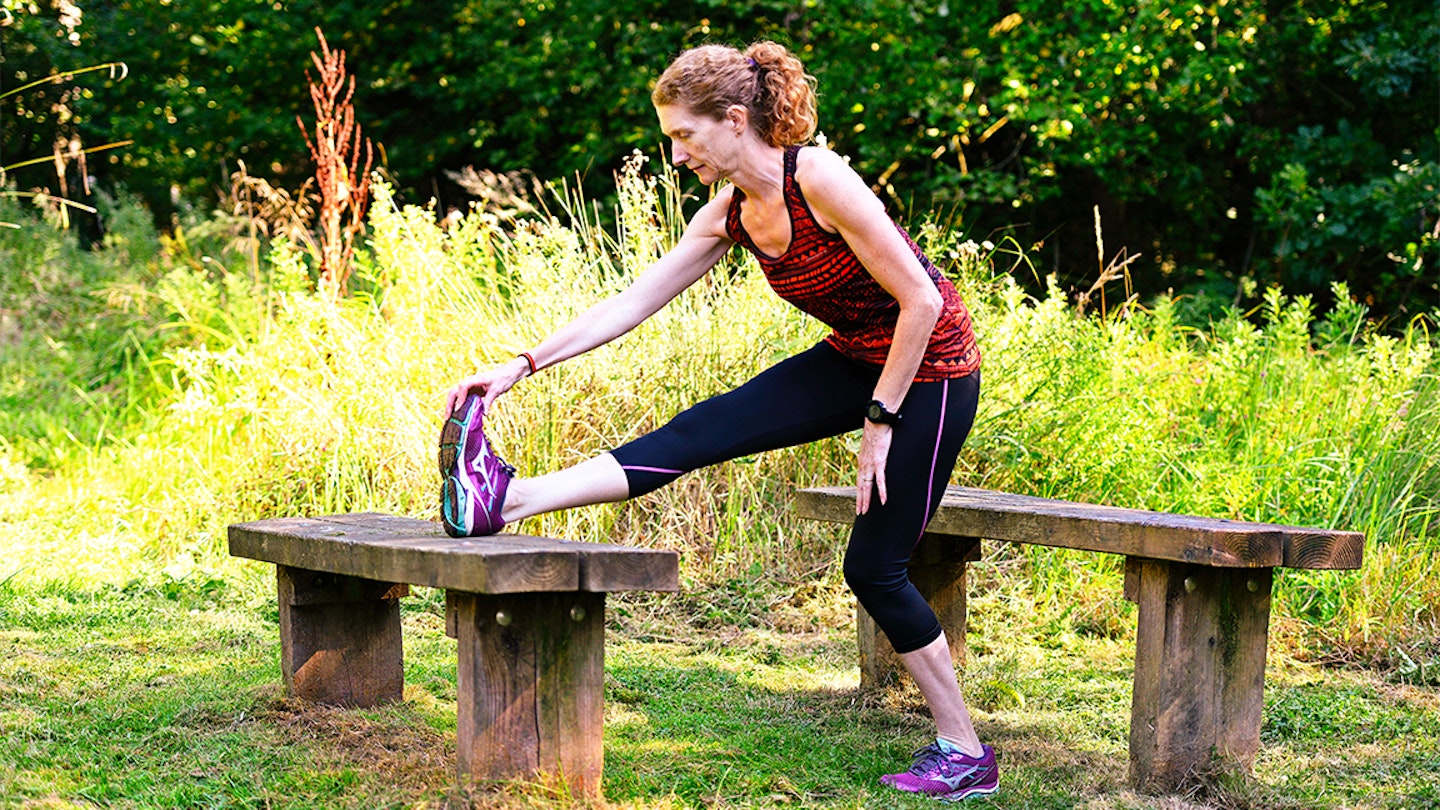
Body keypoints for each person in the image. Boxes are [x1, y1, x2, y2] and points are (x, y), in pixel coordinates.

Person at [438, 41, 996, 801]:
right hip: (856, 356)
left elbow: (923, 304)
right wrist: (520, 365)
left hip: (930, 371)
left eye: (684, 136)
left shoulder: (819, 179)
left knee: (873, 568)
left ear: (736, 121)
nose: (675, 156)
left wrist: (880, 420)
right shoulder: (730, 212)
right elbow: (630, 304)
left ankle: (965, 751)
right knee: (701, 430)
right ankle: (507, 500)